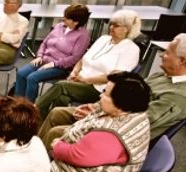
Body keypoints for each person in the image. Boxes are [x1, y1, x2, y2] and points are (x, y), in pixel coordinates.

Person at [38, 33, 186, 151]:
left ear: (182, 61)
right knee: (57, 112)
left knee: (56, 133)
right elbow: (124, 99)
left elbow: (135, 125)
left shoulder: (177, 97)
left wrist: (95, 115)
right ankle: (35, 154)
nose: (161, 55)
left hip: (117, 136)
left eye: (167, 53)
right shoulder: (163, 75)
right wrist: (95, 107)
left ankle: (42, 168)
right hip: (108, 114)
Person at [50, 72, 150, 172]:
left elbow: (76, 155)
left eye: (106, 94)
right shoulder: (134, 114)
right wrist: (94, 111)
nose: (100, 96)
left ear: (121, 103)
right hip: (94, 170)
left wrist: (58, 146)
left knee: (32, 171)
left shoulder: (110, 136)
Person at [34, 9, 141, 121]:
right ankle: (49, 120)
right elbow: (82, 59)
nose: (111, 27)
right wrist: (74, 72)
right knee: (62, 97)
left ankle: (34, 111)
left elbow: (116, 78)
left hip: (98, 88)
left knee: (61, 85)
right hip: (79, 80)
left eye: (116, 25)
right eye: (111, 24)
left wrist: (86, 80)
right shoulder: (103, 39)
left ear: (127, 29)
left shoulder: (131, 49)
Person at [15, 4, 90, 102]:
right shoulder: (59, 26)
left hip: (60, 67)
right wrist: (40, 56)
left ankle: (28, 108)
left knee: (32, 78)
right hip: (44, 59)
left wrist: (53, 64)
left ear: (76, 22)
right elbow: (45, 42)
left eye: (67, 18)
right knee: (21, 73)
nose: (64, 18)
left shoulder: (83, 36)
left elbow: (75, 58)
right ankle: (17, 103)